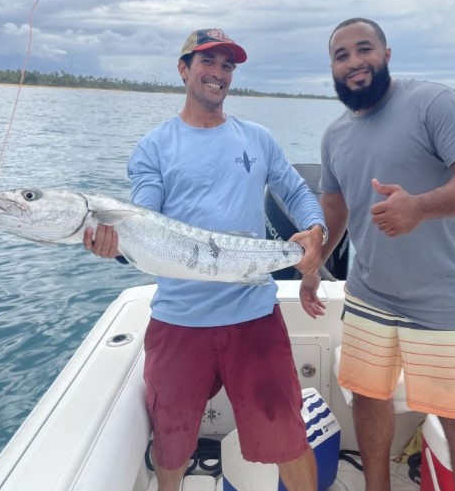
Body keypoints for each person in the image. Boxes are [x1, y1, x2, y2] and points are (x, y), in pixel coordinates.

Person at [84, 28, 328, 491]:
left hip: (253, 316)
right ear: (184, 69)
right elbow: (146, 217)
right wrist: (118, 245)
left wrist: (316, 232)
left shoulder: (257, 138)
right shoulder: (154, 147)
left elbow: (295, 190)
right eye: (208, 62)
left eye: (227, 65)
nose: (218, 74)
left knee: (287, 435)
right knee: (171, 444)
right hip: (180, 322)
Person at [317, 17, 455, 491]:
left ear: (387, 54)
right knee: (367, 397)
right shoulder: (335, 135)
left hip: (443, 300)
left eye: (365, 49)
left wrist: (420, 207)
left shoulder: (432, 103)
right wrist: (313, 263)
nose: (355, 62)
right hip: (368, 295)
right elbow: (336, 207)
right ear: (333, 68)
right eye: (342, 55)